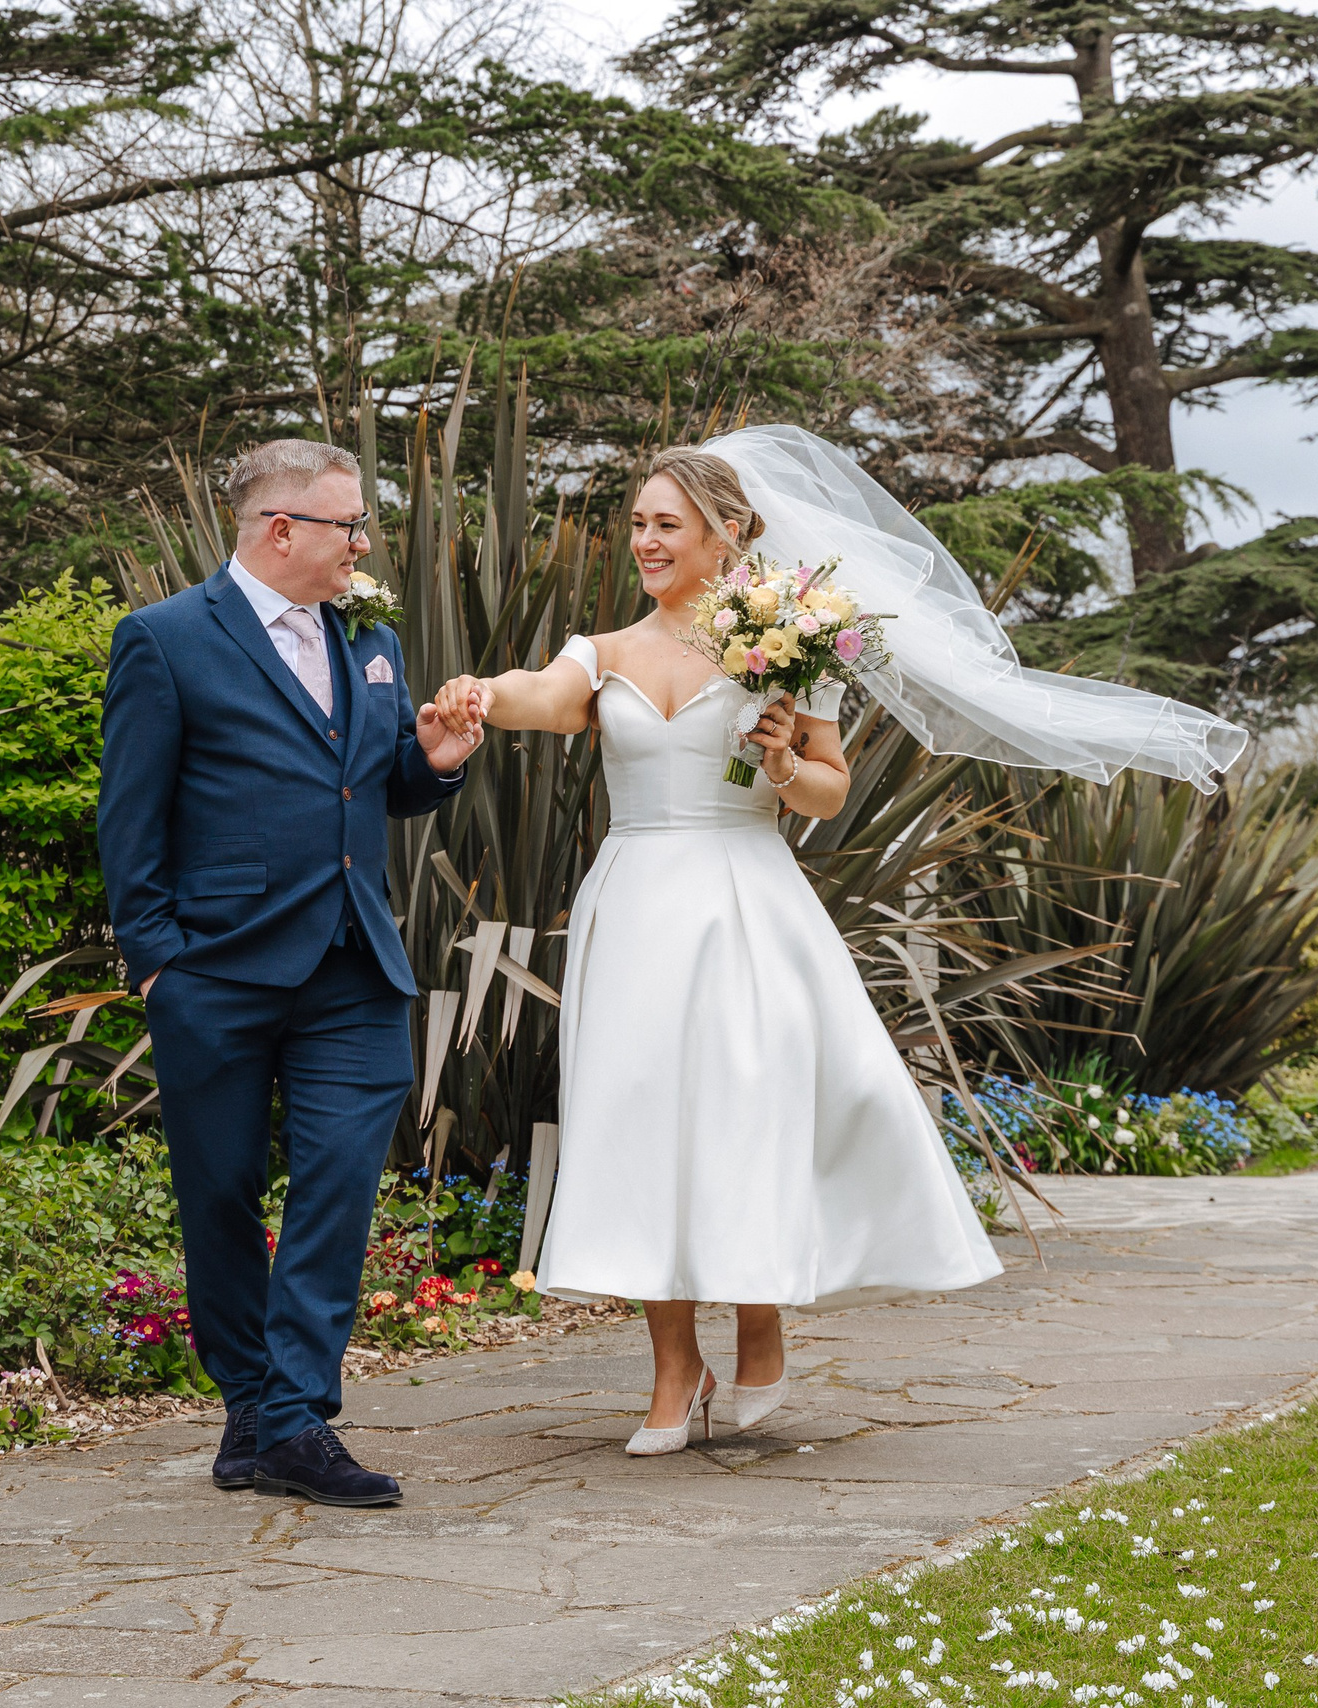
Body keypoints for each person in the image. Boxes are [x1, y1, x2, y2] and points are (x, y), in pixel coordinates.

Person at [429, 430, 1246, 1453]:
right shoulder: (603, 653)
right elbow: (544, 697)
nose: (645, 540)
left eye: (666, 524)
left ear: (728, 534)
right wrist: (480, 692)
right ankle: (674, 1368)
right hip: (633, 907)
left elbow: (826, 789)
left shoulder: (788, 643)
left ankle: (760, 1316)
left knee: (745, 1110)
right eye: (637, 523)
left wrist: (780, 763)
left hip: (746, 900)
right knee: (634, 1118)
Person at [99, 438, 480, 1506]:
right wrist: (158, 967)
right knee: (218, 1193)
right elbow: (128, 822)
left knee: (339, 1181)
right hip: (215, 971)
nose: (362, 544)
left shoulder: (371, 638)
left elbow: (372, 786)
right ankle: (251, 1412)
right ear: (281, 530)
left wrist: (433, 762)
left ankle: (296, 1415)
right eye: (348, 525)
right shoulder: (166, 639)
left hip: (352, 962)